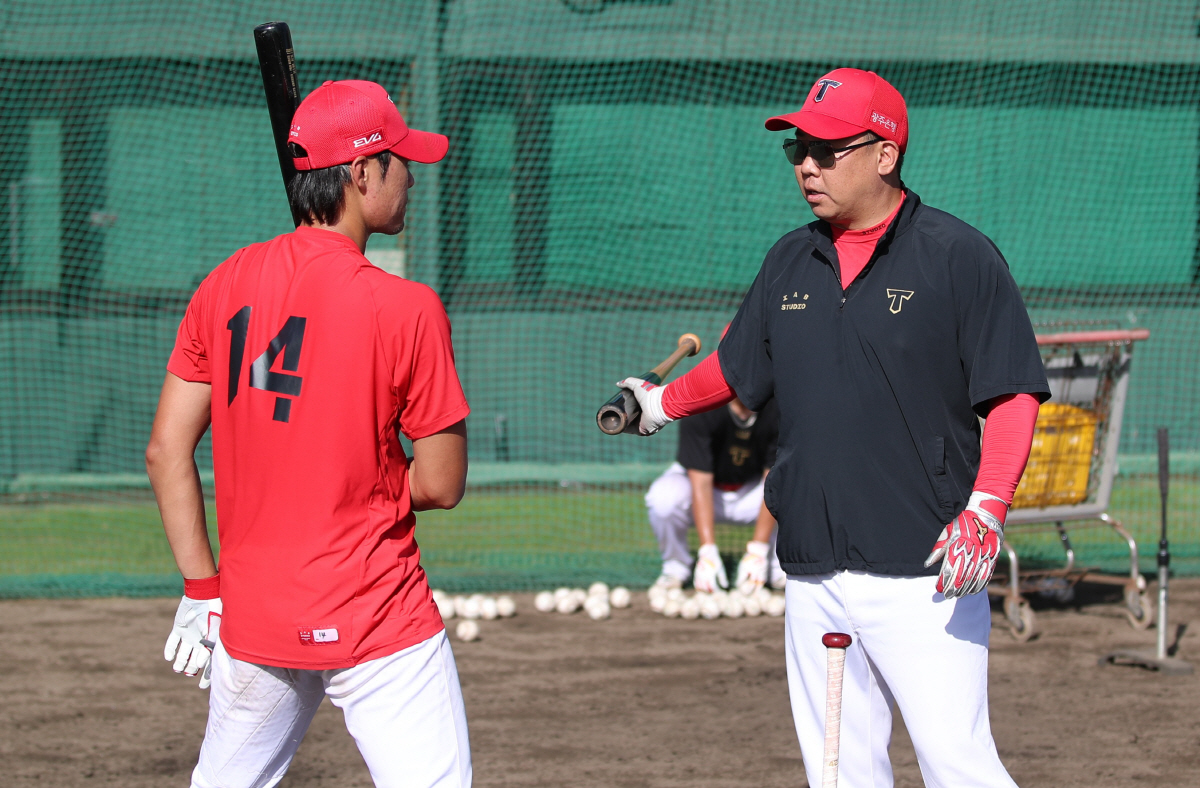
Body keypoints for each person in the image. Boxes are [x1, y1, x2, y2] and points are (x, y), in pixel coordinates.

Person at [617, 68, 1047, 788]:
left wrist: (988, 505)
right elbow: (735, 365)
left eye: (825, 149)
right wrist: (660, 405)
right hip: (812, 568)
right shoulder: (790, 257)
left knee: (958, 764)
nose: (806, 165)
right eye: (797, 151)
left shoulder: (956, 254)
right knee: (839, 773)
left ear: (885, 153)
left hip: (928, 568)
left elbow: (1012, 395)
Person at [146, 80, 472, 788]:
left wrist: (203, 587)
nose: (412, 176)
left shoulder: (223, 283)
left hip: (254, 616)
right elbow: (441, 485)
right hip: (376, 614)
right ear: (359, 173)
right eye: (399, 160)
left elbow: (166, 449)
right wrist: (371, 483)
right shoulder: (406, 307)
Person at [645, 396, 784, 594]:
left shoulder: (778, 407)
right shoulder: (702, 404)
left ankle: (777, 567)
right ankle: (675, 568)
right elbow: (700, 483)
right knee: (664, 498)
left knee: (795, 489)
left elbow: (774, 481)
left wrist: (757, 550)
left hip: (751, 495)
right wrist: (707, 550)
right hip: (701, 494)